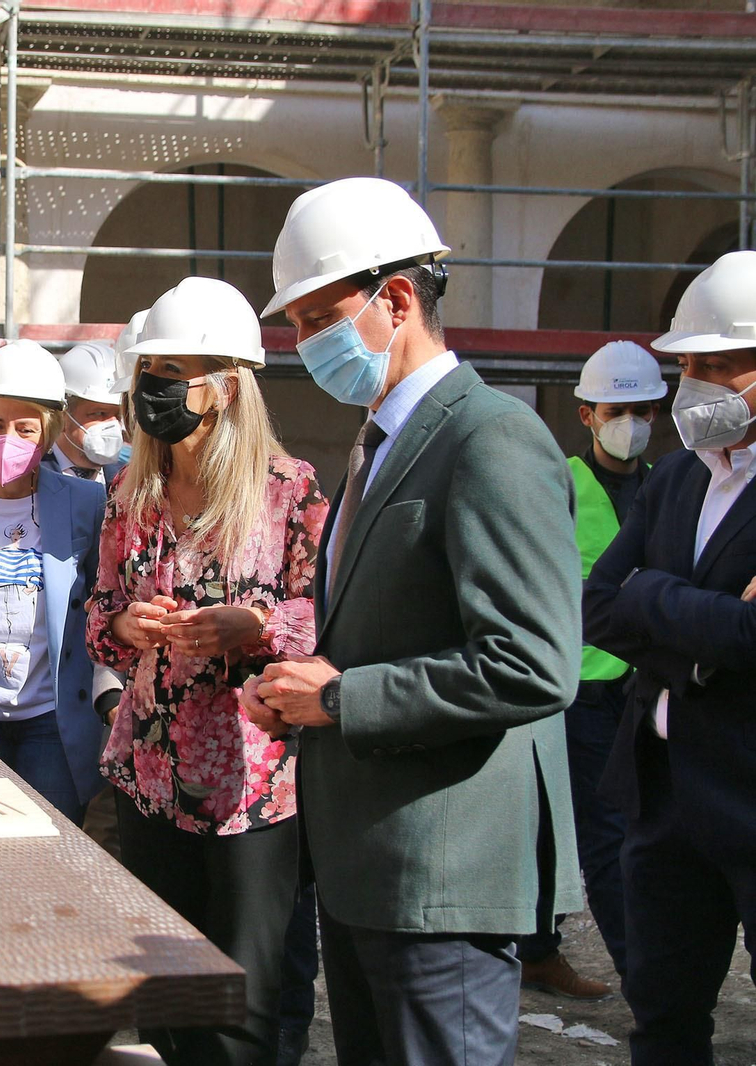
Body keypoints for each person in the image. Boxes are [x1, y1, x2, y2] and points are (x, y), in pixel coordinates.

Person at [245, 176, 582, 1066]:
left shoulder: (488, 437)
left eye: (319, 319)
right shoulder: (378, 441)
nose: (305, 345)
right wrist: (296, 689)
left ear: (396, 299)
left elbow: (534, 663)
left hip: (444, 876)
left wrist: (344, 698)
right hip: (371, 872)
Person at [87, 276, 327, 1065]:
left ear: (225, 387)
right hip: (150, 771)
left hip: (253, 787)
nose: (153, 392)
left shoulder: (290, 493)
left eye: (172, 375)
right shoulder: (132, 494)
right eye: (147, 376)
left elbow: (323, 615)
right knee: (166, 985)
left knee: (245, 997)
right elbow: (100, 617)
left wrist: (249, 626)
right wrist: (127, 623)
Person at [586, 249, 756, 1065]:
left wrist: (653, 598)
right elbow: (599, 606)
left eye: (720, 367)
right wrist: (699, 628)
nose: (695, 385)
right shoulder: (679, 477)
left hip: (749, 793)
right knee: (662, 1022)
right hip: (661, 797)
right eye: (687, 364)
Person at [517, 340, 665, 1000]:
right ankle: (645, 978)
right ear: (585, 414)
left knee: (634, 830)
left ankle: (541, 951)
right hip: (578, 689)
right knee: (604, 837)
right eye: (616, 409)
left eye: (642, 410)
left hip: (649, 687)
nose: (629, 423)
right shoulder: (562, 483)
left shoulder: (667, 482)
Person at [0, 341, 106, 825]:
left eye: (24, 428)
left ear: (47, 434)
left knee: (49, 838)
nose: (7, 438)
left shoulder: (86, 504)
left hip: (50, 718)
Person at [43, 340, 128, 485]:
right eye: (100, 413)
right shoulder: (30, 479)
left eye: (119, 416)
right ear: (62, 417)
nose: (114, 426)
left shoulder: (128, 481)